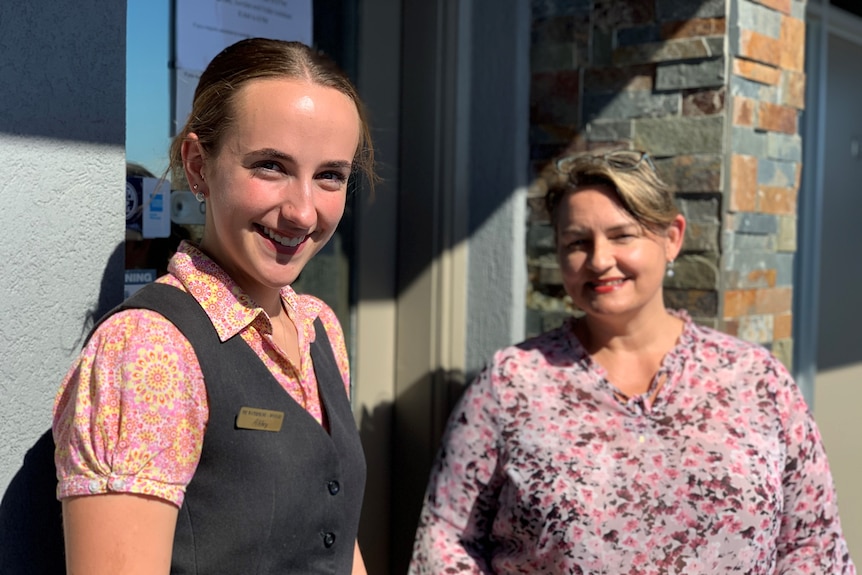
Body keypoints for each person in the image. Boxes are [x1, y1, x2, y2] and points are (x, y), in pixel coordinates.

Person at [409, 149, 855, 574]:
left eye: (622, 235)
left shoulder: (755, 378)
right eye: (577, 242)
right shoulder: (513, 383)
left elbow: (812, 541)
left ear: (672, 238)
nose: (600, 261)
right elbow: (446, 542)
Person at [53, 38, 375, 574]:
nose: (302, 211)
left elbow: (335, 537)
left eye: (330, 176)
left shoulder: (319, 326)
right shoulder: (151, 349)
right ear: (199, 165)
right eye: (271, 166)